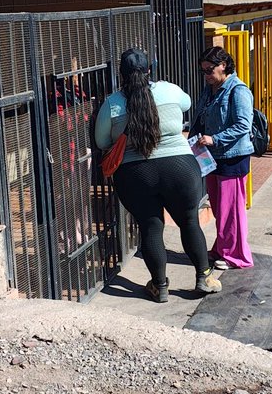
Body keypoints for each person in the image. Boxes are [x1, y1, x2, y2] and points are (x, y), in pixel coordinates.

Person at [94, 48, 221, 302]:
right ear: (150, 70)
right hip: (180, 169)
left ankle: (159, 285)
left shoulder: (113, 103)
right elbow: (186, 103)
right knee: (188, 221)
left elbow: (101, 140)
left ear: (121, 73)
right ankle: (203, 277)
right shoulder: (169, 90)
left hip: (134, 174)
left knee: (150, 228)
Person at [190, 46, 254, 269]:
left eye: (210, 70)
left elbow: (243, 125)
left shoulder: (238, 90)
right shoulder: (211, 89)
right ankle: (223, 247)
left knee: (230, 210)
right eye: (204, 71)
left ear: (223, 65)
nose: (207, 75)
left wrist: (214, 138)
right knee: (219, 208)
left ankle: (233, 255)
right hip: (213, 157)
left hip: (232, 157)